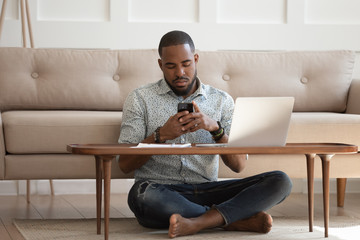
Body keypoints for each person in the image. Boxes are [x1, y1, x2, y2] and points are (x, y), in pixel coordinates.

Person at [118, 30, 292, 238]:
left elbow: (239, 166)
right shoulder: (139, 98)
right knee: (141, 195)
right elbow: (125, 164)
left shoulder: (221, 101)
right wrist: (160, 135)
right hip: (161, 190)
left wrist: (216, 129)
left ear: (196, 59)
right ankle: (230, 220)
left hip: (208, 190)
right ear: (160, 64)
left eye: (186, 63)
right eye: (171, 66)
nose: (180, 72)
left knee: (280, 181)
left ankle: (197, 221)